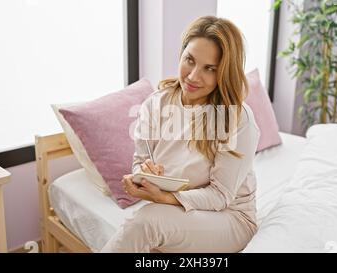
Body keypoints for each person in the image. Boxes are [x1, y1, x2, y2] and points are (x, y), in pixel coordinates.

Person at [101, 15, 260, 253]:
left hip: (229, 217)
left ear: (224, 73)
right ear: (182, 54)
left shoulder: (237, 119)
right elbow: (139, 162)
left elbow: (220, 196)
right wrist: (143, 177)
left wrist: (164, 197)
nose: (193, 76)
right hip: (181, 211)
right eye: (190, 60)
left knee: (148, 221)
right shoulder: (155, 104)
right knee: (147, 236)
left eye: (210, 68)